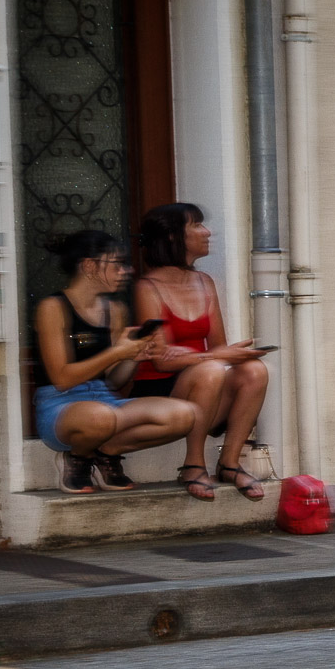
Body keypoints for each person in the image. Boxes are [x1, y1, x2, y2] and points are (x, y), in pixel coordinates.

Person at [32, 230, 197, 494]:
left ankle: (106, 453)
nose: (126, 271)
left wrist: (133, 357)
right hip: (59, 404)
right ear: (89, 265)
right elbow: (62, 379)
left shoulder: (116, 310)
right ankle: (78, 458)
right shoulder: (53, 307)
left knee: (184, 415)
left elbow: (114, 380)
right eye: (117, 264)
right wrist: (118, 353)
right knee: (101, 417)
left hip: (104, 400)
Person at [131, 203, 272, 502]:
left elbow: (217, 347)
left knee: (254, 370)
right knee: (210, 370)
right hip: (161, 391)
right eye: (196, 225)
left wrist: (231, 354)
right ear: (172, 236)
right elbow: (161, 361)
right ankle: (193, 464)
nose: (207, 232)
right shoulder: (147, 287)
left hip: (204, 383)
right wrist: (215, 358)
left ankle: (229, 463)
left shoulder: (205, 282)